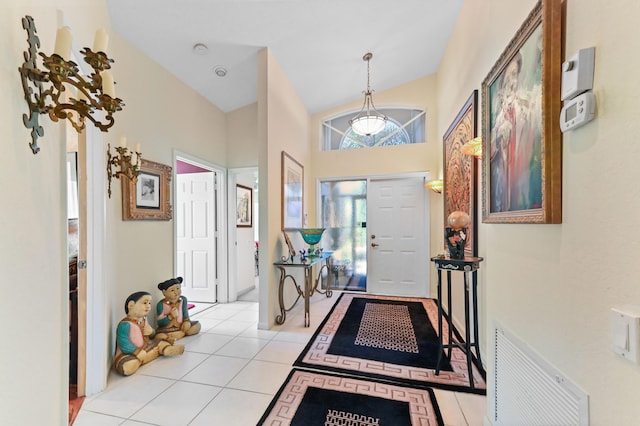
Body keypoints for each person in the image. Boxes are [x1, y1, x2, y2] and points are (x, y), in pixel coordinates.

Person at [113, 291, 185, 376]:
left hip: (146, 346)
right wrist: (137, 353)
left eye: (149, 303)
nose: (148, 306)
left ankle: (168, 349)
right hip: (130, 353)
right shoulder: (125, 325)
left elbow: (152, 336)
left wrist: (151, 331)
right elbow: (124, 344)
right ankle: (147, 357)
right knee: (127, 367)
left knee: (159, 342)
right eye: (145, 303)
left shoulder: (144, 319)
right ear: (131, 305)